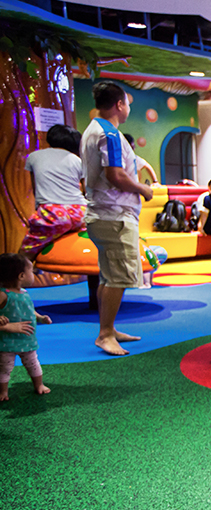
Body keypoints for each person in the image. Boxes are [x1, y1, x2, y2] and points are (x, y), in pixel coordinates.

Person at [81, 80, 153, 356]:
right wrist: (143, 189)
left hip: (104, 213)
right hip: (114, 215)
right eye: (127, 104)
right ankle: (105, 333)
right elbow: (115, 174)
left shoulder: (92, 130)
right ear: (119, 104)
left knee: (108, 275)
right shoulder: (109, 134)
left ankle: (108, 327)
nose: (128, 109)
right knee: (119, 277)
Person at [21, 124, 86, 255]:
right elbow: (86, 189)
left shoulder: (34, 156)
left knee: (26, 251)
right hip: (80, 212)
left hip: (53, 213)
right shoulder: (77, 160)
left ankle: (25, 270)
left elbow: (32, 187)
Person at [0, 254, 52, 400]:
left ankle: (39, 385)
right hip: (7, 342)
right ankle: (3, 392)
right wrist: (6, 325)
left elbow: (29, 310)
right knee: (5, 367)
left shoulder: (24, 293)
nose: (34, 274)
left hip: (26, 340)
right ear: (21, 275)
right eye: (31, 271)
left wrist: (40, 317)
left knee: (33, 364)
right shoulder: (3, 295)